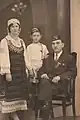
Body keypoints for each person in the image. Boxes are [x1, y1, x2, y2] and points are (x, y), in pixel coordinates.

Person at [38, 35, 77, 120]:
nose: (55, 45)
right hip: (48, 85)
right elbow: (41, 70)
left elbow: (73, 72)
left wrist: (60, 77)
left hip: (61, 86)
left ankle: (43, 114)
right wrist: (42, 74)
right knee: (44, 83)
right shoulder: (48, 57)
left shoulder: (69, 58)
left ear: (62, 45)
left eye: (57, 43)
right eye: (53, 43)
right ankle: (45, 111)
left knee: (43, 86)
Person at [0, 18, 32, 120]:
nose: (15, 29)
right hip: (11, 74)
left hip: (21, 74)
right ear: (9, 29)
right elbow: (3, 57)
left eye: (16, 26)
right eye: (12, 27)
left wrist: (29, 69)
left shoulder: (21, 41)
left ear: (20, 29)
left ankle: (16, 118)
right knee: (9, 101)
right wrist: (7, 72)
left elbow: (25, 56)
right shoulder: (4, 41)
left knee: (19, 101)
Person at [26, 27, 49, 115]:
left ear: (40, 36)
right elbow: (27, 60)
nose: (36, 37)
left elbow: (46, 60)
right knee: (31, 88)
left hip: (41, 70)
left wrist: (41, 69)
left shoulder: (43, 47)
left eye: (37, 35)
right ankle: (32, 108)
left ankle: (42, 107)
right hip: (31, 70)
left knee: (42, 87)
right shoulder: (29, 47)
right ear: (31, 37)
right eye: (34, 35)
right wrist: (31, 69)